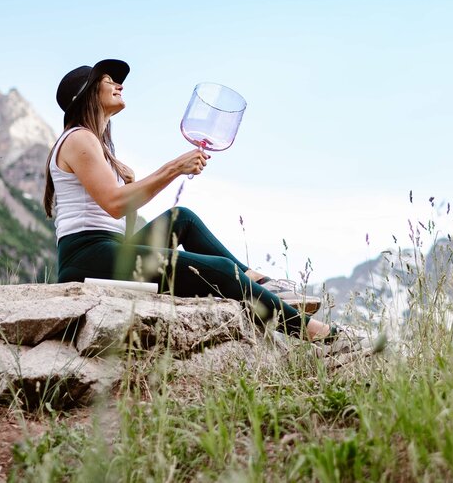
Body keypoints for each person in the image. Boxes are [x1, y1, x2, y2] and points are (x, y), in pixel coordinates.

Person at [45, 58, 366, 350]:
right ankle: (321, 335)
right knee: (221, 271)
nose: (119, 84)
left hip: (105, 251)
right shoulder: (79, 138)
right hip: (87, 257)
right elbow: (114, 205)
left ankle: (256, 280)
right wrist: (175, 168)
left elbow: (115, 220)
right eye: (108, 79)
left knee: (180, 218)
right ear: (87, 94)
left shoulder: (95, 146)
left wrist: (129, 182)